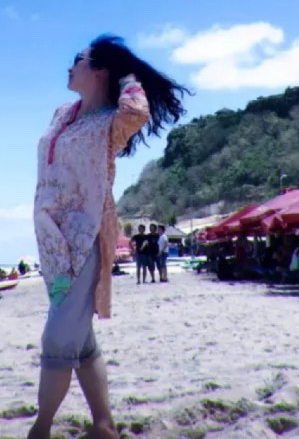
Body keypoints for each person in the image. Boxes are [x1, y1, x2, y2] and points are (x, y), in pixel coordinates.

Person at [29, 34, 188, 439]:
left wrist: (127, 73)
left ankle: (40, 430)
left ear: (100, 70)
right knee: (80, 339)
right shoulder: (61, 113)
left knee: (57, 338)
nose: (69, 66)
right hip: (52, 242)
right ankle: (105, 425)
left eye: (78, 59)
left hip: (85, 239)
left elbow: (137, 110)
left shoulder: (110, 124)